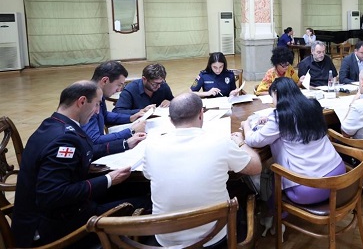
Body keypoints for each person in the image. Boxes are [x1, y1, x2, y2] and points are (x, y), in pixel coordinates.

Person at [12, 81, 140, 247]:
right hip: (54, 229)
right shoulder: (63, 140)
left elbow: (85, 151)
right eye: (96, 105)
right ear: (81, 101)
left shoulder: (55, 124)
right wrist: (108, 179)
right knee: (143, 203)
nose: (97, 111)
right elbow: (53, 194)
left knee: (131, 188)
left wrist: (125, 144)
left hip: (62, 210)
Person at [143, 93, 261, 248]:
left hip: (166, 239)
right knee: (241, 190)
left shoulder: (152, 145)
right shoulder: (220, 141)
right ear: (201, 114)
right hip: (214, 237)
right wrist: (240, 143)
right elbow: (256, 167)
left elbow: (147, 175)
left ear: (170, 120)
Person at [243, 78, 345, 207]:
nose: (273, 102)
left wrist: (246, 125)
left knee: (272, 170)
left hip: (309, 188)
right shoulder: (313, 106)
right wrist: (270, 120)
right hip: (340, 176)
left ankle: (274, 211)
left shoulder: (280, 117)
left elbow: (253, 140)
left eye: (272, 97)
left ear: (276, 93)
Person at [82, 61, 148, 157]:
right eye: (119, 85)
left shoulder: (96, 94)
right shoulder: (89, 101)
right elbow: (95, 141)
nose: (119, 89)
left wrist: (130, 118)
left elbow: (104, 115)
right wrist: (131, 131)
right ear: (105, 81)